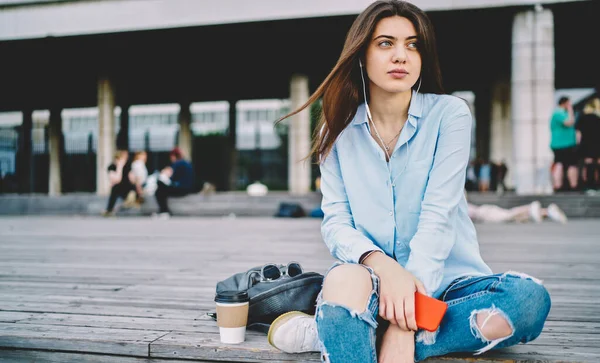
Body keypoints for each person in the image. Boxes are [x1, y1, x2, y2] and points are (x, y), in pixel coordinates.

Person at [266, 2, 551, 362]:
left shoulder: (449, 115)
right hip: (371, 283)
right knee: (342, 281)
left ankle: (345, 332)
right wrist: (381, 264)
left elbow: (438, 216)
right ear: (361, 54)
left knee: (528, 301)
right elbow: (336, 223)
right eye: (386, 43)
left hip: (448, 289)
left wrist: (406, 321)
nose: (401, 55)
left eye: (413, 45)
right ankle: (356, 325)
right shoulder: (335, 130)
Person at [153, 147, 195, 218]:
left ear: (173, 156)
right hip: (187, 188)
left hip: (181, 188)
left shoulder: (177, 163)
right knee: (162, 189)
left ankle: (164, 211)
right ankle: (164, 211)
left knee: (159, 190)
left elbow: (170, 177)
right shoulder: (186, 163)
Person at [550, 96, 578, 191]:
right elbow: (569, 122)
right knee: (566, 164)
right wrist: (570, 110)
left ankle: (561, 186)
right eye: (569, 103)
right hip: (563, 144)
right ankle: (567, 186)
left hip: (563, 144)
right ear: (565, 103)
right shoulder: (559, 113)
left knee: (561, 163)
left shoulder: (560, 113)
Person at [467, 200, 567, 224]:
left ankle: (531, 208)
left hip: (485, 213)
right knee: (514, 217)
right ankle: (547, 212)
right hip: (484, 213)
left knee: (509, 215)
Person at [576, 97, 600, 193]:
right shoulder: (598, 117)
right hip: (597, 143)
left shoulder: (582, 117)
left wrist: (578, 145)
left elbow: (578, 133)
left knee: (588, 164)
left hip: (586, 144)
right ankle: (596, 185)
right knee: (597, 163)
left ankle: (589, 185)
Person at [102, 150, 135, 217]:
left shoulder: (127, 166)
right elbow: (118, 179)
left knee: (131, 190)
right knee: (115, 187)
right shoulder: (111, 167)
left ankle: (127, 201)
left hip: (127, 188)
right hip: (118, 188)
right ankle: (109, 210)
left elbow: (132, 180)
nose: (125, 161)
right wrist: (120, 167)